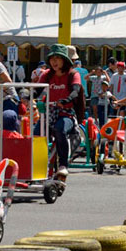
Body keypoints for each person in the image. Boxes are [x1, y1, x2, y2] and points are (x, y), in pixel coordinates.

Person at [37, 43, 82, 177]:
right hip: (48, 114)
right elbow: (37, 90)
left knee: (59, 129)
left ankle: (63, 165)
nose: (54, 61)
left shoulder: (73, 74)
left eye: (58, 58)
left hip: (66, 114)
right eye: (52, 58)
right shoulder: (47, 74)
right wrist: (26, 97)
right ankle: (35, 166)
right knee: (35, 135)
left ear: (65, 60)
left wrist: (67, 100)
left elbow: (76, 91)